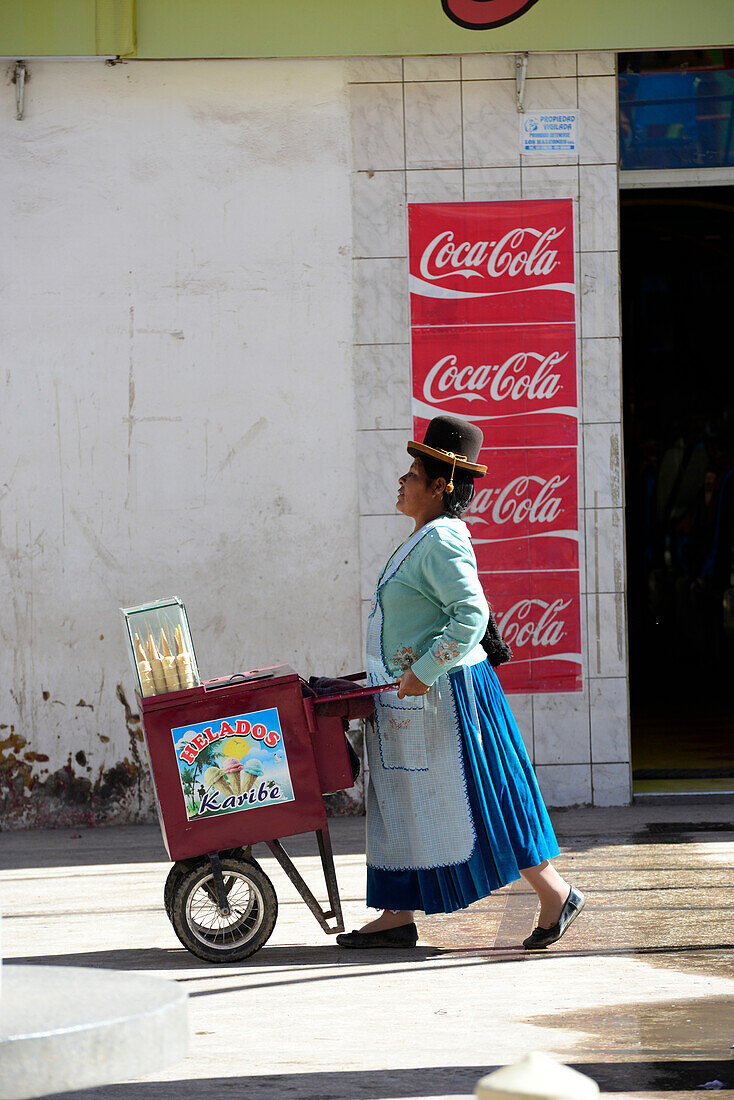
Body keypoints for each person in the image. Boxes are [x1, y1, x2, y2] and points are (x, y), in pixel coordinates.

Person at [336, 415, 585, 951]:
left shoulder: (441, 540)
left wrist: (423, 673)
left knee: (487, 801)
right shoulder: (423, 538)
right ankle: (396, 914)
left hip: (452, 699)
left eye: (412, 473)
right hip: (416, 699)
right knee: (403, 803)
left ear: (440, 485)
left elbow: (470, 613)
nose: (402, 481)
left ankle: (556, 893)